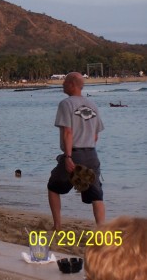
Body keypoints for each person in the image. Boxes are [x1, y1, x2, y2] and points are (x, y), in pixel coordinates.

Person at [47, 72, 105, 230]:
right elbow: (95, 135)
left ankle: (57, 225)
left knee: (53, 187)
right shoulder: (92, 105)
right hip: (92, 154)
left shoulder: (66, 104)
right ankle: (101, 230)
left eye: (65, 82)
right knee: (97, 195)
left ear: (72, 84)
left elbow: (68, 132)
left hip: (75, 153)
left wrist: (68, 157)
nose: (62, 84)